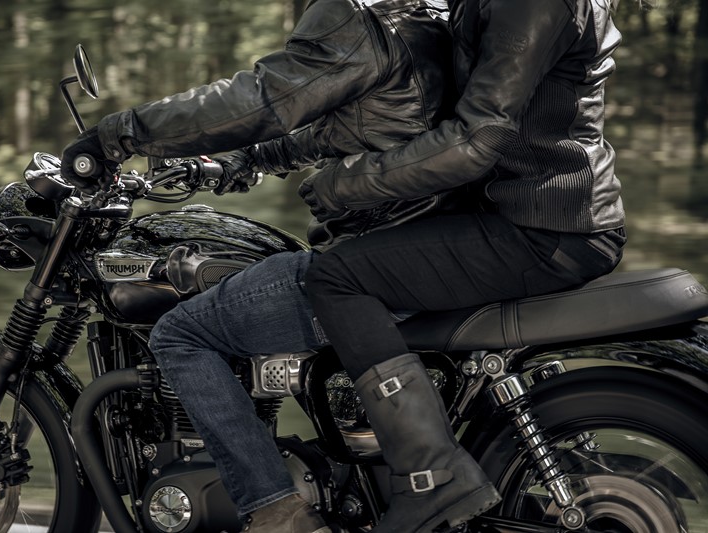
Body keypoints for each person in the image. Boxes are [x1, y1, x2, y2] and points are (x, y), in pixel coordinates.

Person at [61, 1, 464, 532]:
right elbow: (353, 128)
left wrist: (117, 135)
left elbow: (261, 100)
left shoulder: (354, 14)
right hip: (437, 242)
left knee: (181, 334)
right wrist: (245, 159)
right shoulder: (424, 12)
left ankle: (275, 509)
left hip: (375, 253)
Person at [298, 0, 627, 531]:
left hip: (542, 226)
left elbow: (478, 138)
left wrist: (344, 184)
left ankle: (429, 477)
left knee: (337, 276)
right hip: (538, 212)